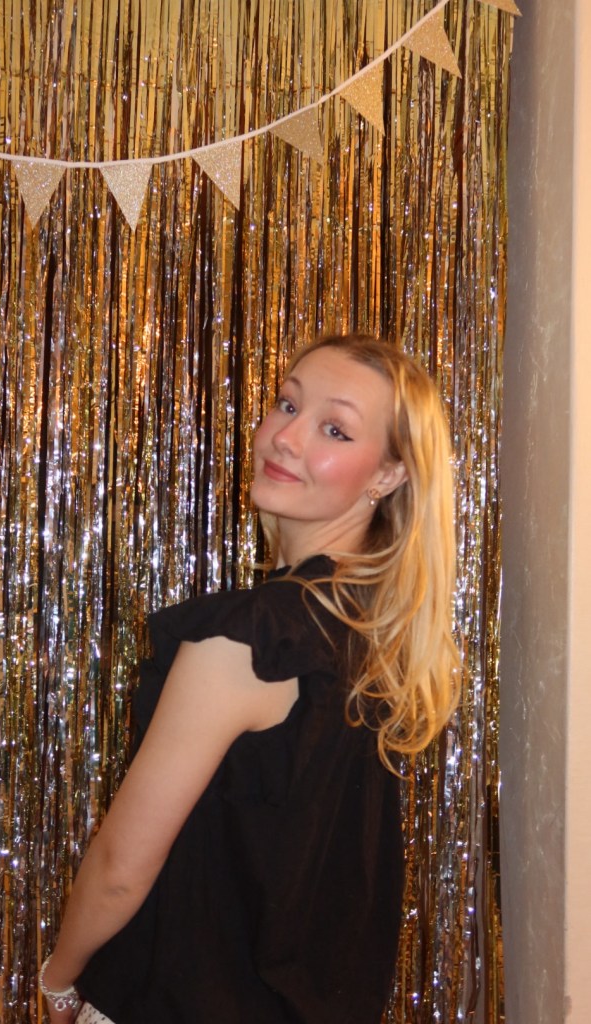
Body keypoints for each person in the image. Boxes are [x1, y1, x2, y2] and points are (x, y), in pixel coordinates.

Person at [38, 333, 460, 1024]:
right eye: (287, 404)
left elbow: (120, 869)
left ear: (387, 476)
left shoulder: (250, 640)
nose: (285, 437)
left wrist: (58, 981)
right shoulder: (378, 638)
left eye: (334, 429)